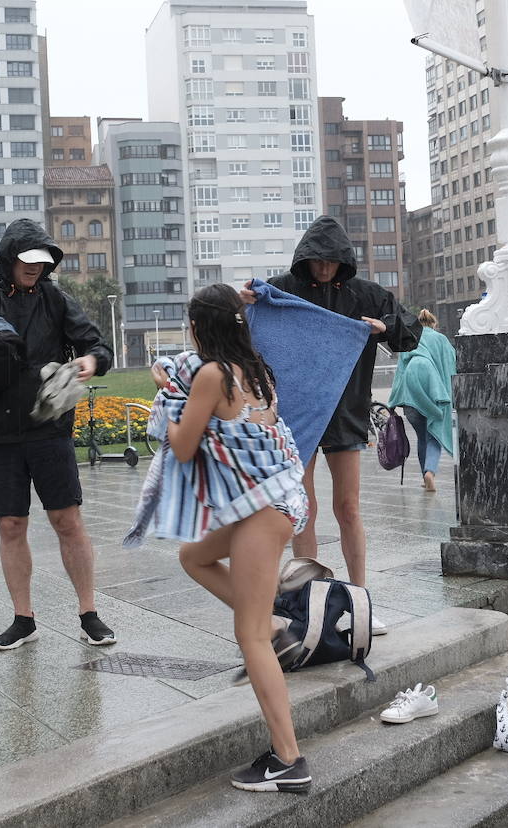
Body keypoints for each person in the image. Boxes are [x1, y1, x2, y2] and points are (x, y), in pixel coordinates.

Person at [0, 219, 116, 651]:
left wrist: (90, 362)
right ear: (9, 259)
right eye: (28, 261)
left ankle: (89, 613)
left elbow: (96, 344)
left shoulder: (56, 300)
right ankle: (23, 618)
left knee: (66, 520)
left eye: (43, 261)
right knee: (11, 525)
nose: (36, 268)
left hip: (48, 427)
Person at [155, 284, 311, 793]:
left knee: (248, 639)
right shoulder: (257, 370)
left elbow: (182, 446)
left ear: (199, 328)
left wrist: (167, 393)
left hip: (262, 512)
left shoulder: (211, 375)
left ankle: (288, 760)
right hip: (273, 500)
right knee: (194, 556)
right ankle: (272, 621)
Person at [241, 218, 420, 630]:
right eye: (317, 262)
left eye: (331, 262)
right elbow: (239, 330)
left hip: (346, 410)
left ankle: (360, 601)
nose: (323, 269)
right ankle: (307, 600)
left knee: (349, 507)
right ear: (305, 260)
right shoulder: (282, 289)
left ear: (344, 261)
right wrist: (243, 303)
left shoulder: (366, 295)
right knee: (301, 511)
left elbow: (411, 330)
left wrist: (384, 326)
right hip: (296, 415)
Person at [387, 309, 455, 492]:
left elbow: (400, 373)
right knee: (433, 435)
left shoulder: (410, 338)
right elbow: (451, 366)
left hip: (411, 394)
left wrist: (393, 402)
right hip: (433, 391)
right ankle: (429, 472)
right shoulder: (440, 340)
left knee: (421, 437)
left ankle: (425, 477)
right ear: (434, 324)